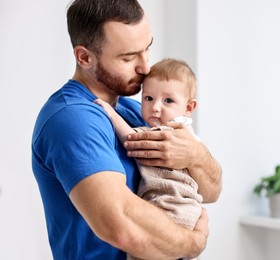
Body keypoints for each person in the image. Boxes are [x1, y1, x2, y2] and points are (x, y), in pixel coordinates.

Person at [31, 0, 222, 259]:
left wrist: (196, 155)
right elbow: (120, 225)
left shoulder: (136, 111)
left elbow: (212, 191)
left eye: (147, 49)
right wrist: (193, 243)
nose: (145, 67)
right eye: (129, 57)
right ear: (85, 57)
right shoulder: (72, 119)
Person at [95, 58, 203, 260]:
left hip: (172, 206)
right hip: (184, 211)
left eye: (168, 101)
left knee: (144, 249)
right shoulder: (189, 136)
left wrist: (110, 113)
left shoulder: (170, 132)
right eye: (149, 98)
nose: (155, 107)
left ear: (189, 107)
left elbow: (132, 139)